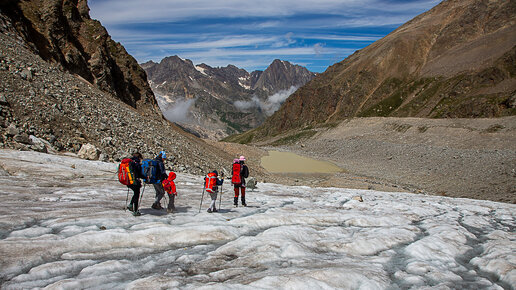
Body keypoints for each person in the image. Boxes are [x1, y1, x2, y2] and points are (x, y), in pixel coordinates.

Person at [127, 152, 144, 216]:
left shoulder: (130, 162)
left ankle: (131, 205)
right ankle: (135, 210)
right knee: (137, 195)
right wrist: (145, 177)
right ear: (139, 157)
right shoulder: (137, 163)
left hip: (129, 181)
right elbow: (139, 174)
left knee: (135, 193)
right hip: (135, 182)